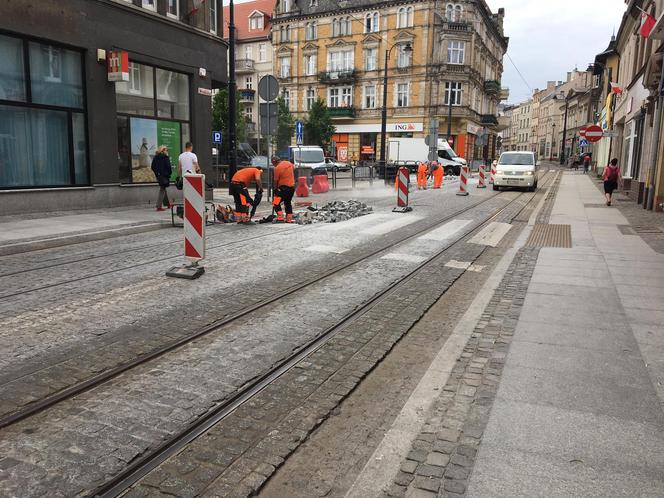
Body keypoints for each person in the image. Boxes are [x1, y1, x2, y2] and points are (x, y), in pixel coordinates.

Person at [272, 156, 296, 223]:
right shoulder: (288, 163)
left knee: (276, 202)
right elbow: (294, 168)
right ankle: (289, 219)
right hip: (292, 188)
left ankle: (280, 217)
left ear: (274, 162)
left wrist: (275, 189)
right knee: (287, 203)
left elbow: (275, 181)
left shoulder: (277, 168)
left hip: (283, 189)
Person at [151, 145, 173, 211]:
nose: (167, 151)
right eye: (166, 150)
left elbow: (152, 167)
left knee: (163, 188)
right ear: (163, 150)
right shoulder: (165, 157)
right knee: (162, 189)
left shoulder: (155, 157)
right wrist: (169, 173)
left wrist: (157, 173)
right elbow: (168, 167)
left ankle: (167, 204)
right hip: (164, 176)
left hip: (159, 176)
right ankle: (158, 206)